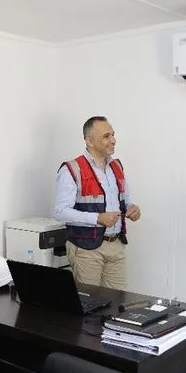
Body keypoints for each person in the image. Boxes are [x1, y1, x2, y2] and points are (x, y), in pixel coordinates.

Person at [53, 116, 141, 290]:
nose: (113, 140)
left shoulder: (117, 166)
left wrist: (133, 209)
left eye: (113, 135)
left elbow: (126, 201)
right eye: (106, 136)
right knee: (89, 306)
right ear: (89, 141)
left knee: (118, 303)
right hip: (86, 249)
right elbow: (60, 211)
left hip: (116, 245)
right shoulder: (72, 169)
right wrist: (97, 218)